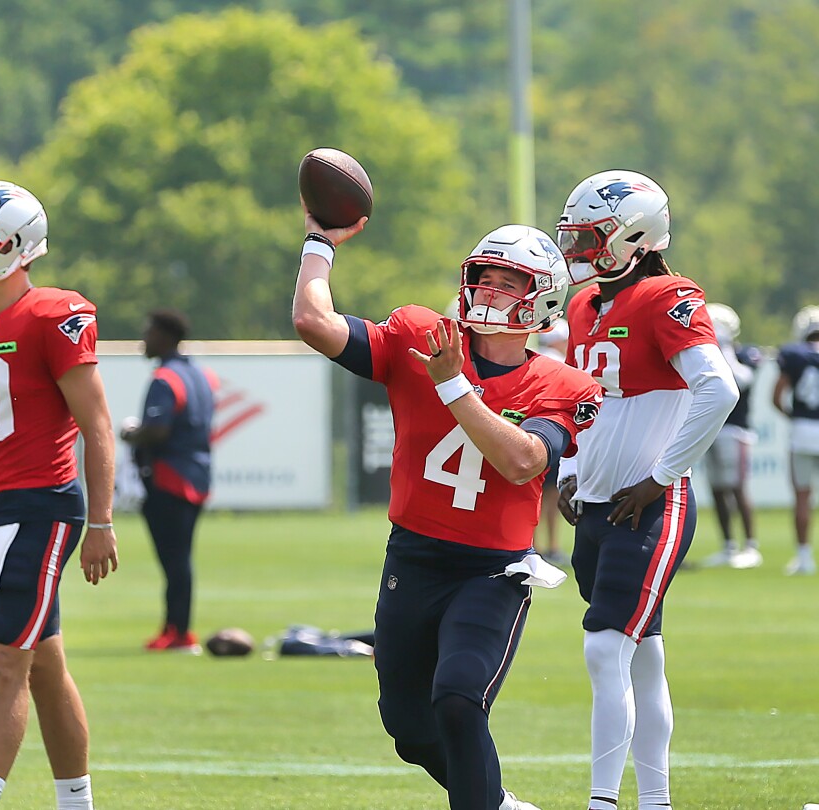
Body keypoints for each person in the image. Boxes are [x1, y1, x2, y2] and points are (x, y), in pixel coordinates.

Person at [293, 210, 602, 810]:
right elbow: (313, 320)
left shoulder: (561, 383)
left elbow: (523, 461)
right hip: (413, 557)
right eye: (484, 275)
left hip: (493, 570)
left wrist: (454, 386)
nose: (489, 288)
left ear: (542, 300)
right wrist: (320, 243)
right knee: (408, 728)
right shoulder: (422, 334)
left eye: (508, 281)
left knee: (459, 699)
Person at [554, 170, 738, 810]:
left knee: (605, 648)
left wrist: (659, 477)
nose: (577, 253)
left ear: (635, 236)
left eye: (590, 239)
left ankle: (603, 801)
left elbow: (719, 390)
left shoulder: (669, 297)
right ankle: (655, 801)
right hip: (601, 504)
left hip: (651, 505)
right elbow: (587, 404)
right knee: (641, 657)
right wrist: (571, 470)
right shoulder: (584, 305)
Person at [0, 180, 119, 810]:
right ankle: (77, 804)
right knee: (41, 666)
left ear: (15, 246)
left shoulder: (54, 314)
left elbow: (96, 424)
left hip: (45, 502)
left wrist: (101, 522)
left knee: (1, 662)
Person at [120, 308, 215, 653]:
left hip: (169, 479)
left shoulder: (166, 378)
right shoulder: (198, 375)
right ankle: (177, 628)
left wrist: (130, 434)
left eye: (148, 332)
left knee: (174, 561)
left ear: (165, 336)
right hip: (196, 476)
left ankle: (178, 632)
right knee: (180, 559)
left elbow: (158, 430)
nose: (143, 340)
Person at [699, 303, 764, 569]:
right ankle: (728, 545)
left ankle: (751, 546)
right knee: (716, 489)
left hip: (735, 429)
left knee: (737, 487)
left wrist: (722, 349)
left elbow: (742, 379)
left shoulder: (744, 353)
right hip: (710, 428)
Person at [772, 304, 819, 576]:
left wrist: (792, 416)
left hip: (802, 430)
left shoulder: (794, 354)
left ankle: (804, 557)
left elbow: (776, 396)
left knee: (802, 495)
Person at [534, 319, 571, 566]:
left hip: (532, 432)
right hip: (551, 432)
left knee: (536, 495)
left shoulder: (536, 357)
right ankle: (552, 546)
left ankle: (533, 545)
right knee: (550, 496)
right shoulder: (557, 361)